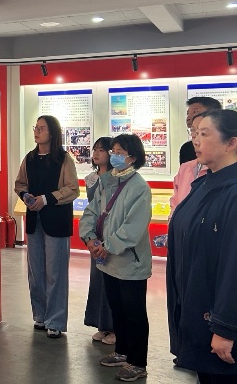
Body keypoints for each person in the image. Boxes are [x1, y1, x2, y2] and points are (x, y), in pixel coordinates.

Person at [167, 109, 237, 384]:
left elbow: (233, 266)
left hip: (220, 323)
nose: (195, 140)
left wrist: (225, 328)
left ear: (231, 142)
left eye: (204, 134)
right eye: (194, 133)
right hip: (197, 311)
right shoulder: (204, 184)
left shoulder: (232, 191)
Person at [79, 133, 152, 382]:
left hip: (130, 262)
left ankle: (137, 362)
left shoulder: (139, 187)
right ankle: (122, 352)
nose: (114, 156)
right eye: (114, 151)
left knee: (134, 313)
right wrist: (89, 238)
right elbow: (92, 212)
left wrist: (107, 246)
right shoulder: (107, 181)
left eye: (120, 152)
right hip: (108, 261)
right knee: (117, 309)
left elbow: (133, 227)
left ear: (133, 157)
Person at [14, 115, 79, 339]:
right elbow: (20, 183)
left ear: (52, 132)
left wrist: (46, 198)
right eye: (36, 127)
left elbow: (72, 189)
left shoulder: (63, 159)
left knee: (55, 272)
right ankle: (40, 315)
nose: (37, 131)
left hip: (56, 221)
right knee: (36, 272)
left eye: (42, 128)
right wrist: (25, 196)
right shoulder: (30, 158)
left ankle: (56, 320)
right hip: (34, 220)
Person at [83, 137, 115, 346]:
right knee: (97, 280)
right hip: (95, 234)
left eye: (101, 150)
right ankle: (102, 325)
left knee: (112, 280)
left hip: (111, 234)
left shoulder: (117, 178)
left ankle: (115, 326)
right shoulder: (91, 178)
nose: (96, 153)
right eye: (95, 149)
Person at [169, 112, 208, 218]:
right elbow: (175, 204)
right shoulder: (185, 168)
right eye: (193, 131)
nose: (195, 139)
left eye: (202, 133)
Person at [179, 97, 222, 164]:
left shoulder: (223, 144)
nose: (188, 117)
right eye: (188, 113)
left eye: (195, 112)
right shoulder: (186, 149)